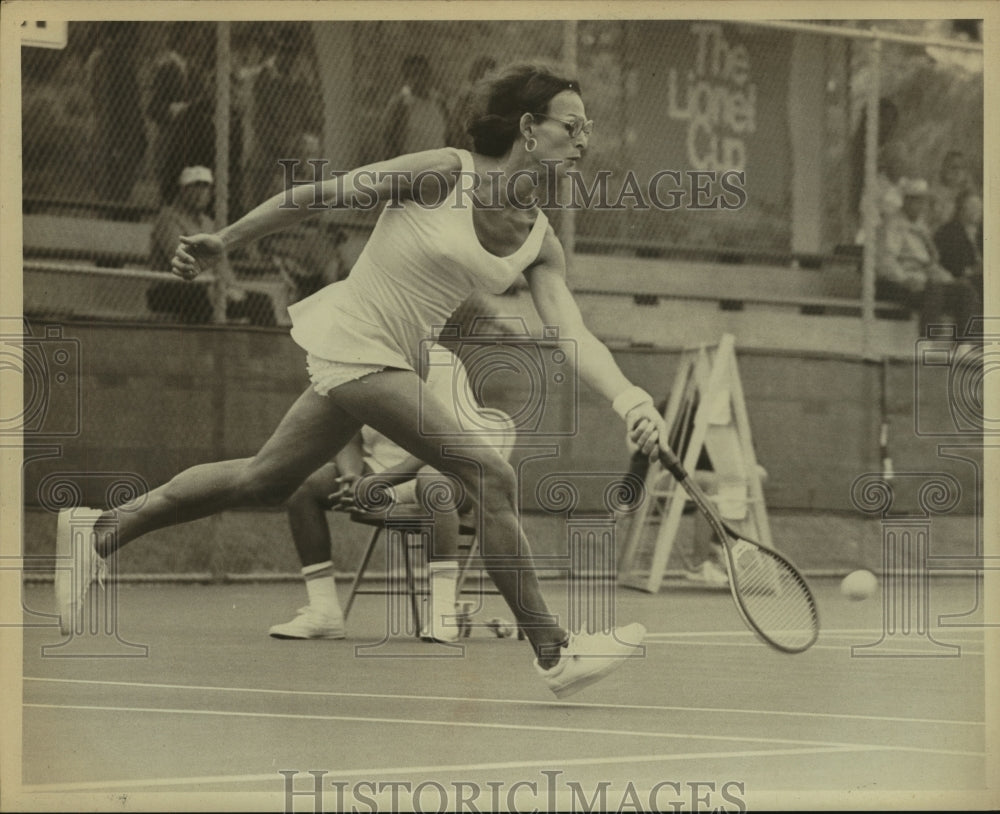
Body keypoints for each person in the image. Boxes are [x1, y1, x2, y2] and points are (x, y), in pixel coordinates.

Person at [55, 62, 660, 699]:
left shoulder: (539, 241)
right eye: (573, 124)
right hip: (357, 341)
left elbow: (574, 334)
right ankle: (554, 653)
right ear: (529, 129)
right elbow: (320, 195)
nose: (585, 139)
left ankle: (98, 530)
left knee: (265, 478)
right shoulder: (444, 171)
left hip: (393, 356)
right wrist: (224, 242)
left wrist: (631, 398)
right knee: (491, 475)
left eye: (587, 127)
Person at [270, 344, 479, 643]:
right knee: (304, 486)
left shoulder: (444, 364)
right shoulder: (358, 359)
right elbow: (348, 436)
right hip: (379, 470)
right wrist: (353, 477)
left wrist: (380, 483)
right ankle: (324, 612)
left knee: (434, 484)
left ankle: (443, 613)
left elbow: (441, 443)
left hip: (448, 468)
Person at [148, 165, 277, 326]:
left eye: (205, 188)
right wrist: (216, 286)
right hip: (168, 287)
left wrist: (233, 288)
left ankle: (267, 352)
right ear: (182, 191)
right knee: (203, 296)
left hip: (210, 288)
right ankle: (206, 349)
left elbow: (222, 262)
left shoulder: (209, 223)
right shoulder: (168, 218)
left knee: (261, 302)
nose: (200, 194)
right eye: (194, 188)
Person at [876, 177, 979, 337]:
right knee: (934, 288)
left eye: (923, 201)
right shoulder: (893, 224)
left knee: (965, 291)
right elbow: (886, 260)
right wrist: (904, 279)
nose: (921, 205)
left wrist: (949, 279)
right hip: (896, 283)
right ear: (906, 200)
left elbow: (931, 262)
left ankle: (963, 345)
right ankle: (928, 341)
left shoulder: (921, 226)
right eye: (916, 200)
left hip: (923, 281)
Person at [934, 189, 984, 333]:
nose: (977, 211)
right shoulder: (948, 232)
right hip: (956, 278)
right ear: (961, 209)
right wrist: (972, 270)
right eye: (973, 207)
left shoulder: (982, 234)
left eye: (979, 208)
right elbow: (946, 263)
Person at [381, 54, 450, 159]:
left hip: (438, 166)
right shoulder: (399, 103)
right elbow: (388, 137)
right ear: (406, 77)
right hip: (411, 167)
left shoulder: (439, 101)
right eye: (413, 74)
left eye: (423, 73)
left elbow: (449, 135)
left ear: (429, 74)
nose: (419, 78)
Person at [927, 150, 974, 233]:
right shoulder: (932, 193)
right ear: (944, 168)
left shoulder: (969, 195)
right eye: (954, 167)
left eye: (962, 168)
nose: (958, 172)